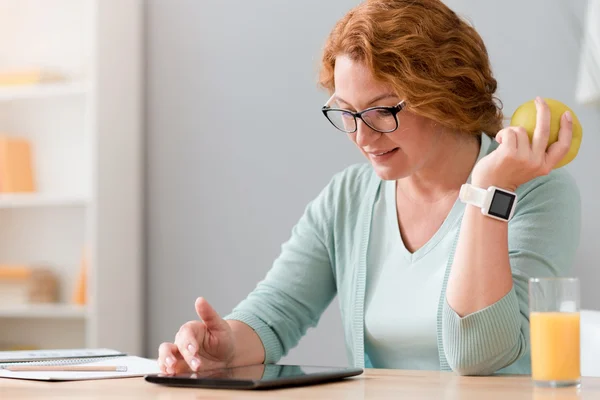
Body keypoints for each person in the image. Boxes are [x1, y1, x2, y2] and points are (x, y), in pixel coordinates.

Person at [157, 0, 580, 376]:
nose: (361, 135)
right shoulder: (349, 197)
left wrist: (488, 190)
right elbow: (275, 313)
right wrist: (226, 346)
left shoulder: (536, 192)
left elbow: (479, 356)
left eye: (380, 110)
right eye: (346, 112)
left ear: (444, 95)